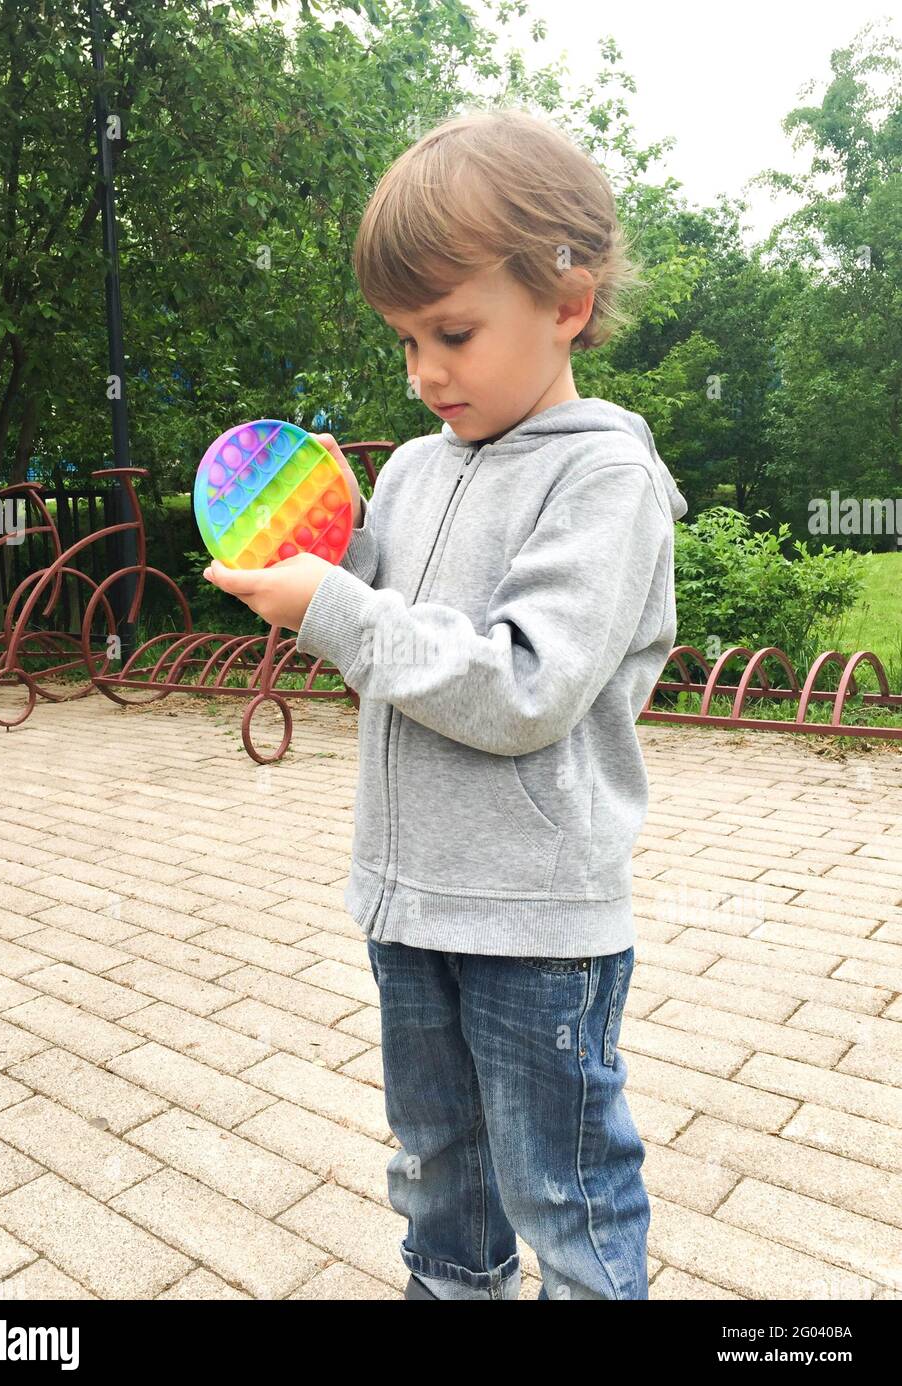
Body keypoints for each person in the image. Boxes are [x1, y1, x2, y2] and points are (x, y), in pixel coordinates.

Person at [206, 105, 688, 1300]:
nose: (424, 372)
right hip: (405, 902)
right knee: (436, 1176)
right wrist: (324, 531)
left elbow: (521, 684)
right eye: (405, 340)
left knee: (563, 1191)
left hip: (535, 928)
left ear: (564, 303)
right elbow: (388, 620)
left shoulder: (604, 477)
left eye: (452, 333)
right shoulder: (421, 463)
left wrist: (334, 605)